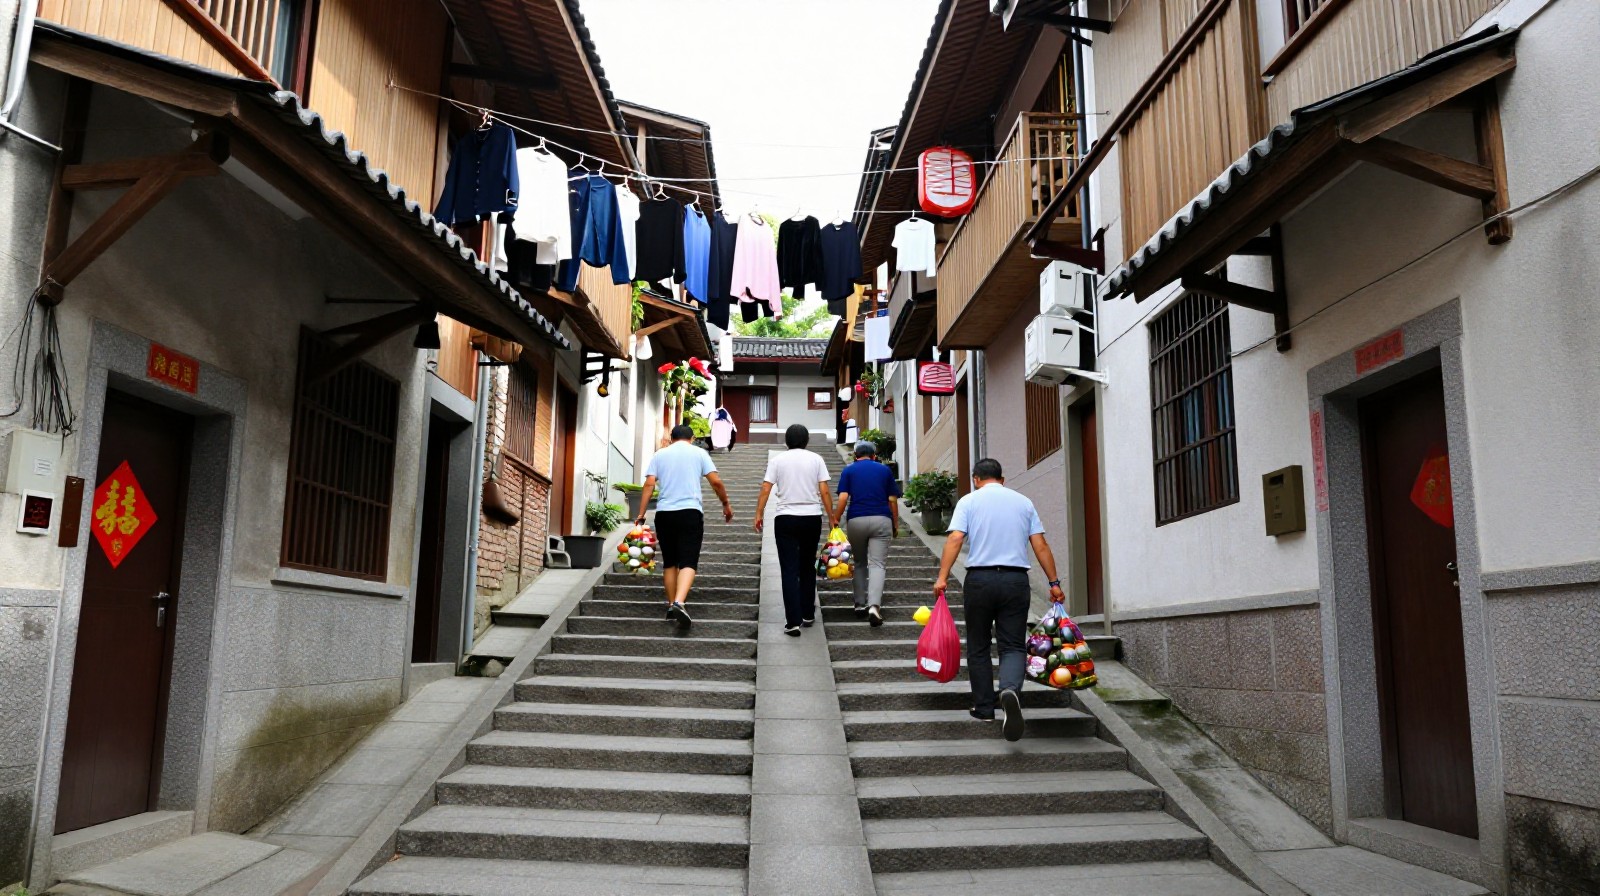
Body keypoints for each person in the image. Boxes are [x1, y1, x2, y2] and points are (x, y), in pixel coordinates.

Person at [933, 458, 1065, 742]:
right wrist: (1054, 583)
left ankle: (983, 708)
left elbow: (955, 538)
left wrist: (942, 577)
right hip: (1015, 581)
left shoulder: (969, 501)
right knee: (1013, 645)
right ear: (1002, 479)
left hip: (979, 580)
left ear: (976, 479)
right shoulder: (1024, 502)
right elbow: (1039, 544)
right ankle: (1009, 690)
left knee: (979, 645)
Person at [636, 424, 734, 628]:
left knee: (670, 561)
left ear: (671, 438)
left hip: (664, 514)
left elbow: (649, 484)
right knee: (688, 560)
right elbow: (716, 482)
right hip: (690, 512)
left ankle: (672, 604)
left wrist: (641, 514)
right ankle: (680, 602)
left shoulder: (660, 455)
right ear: (693, 437)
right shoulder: (699, 453)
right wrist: (725, 504)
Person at [754, 424, 832, 636]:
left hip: (785, 518)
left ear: (786, 441)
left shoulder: (778, 460)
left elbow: (766, 488)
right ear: (806, 440)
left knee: (789, 569)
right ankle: (808, 613)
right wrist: (831, 516)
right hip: (811, 517)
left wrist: (759, 513)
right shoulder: (816, 459)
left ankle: (793, 622)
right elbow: (824, 490)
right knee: (807, 566)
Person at [832, 440, 901, 626]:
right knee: (878, 563)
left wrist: (835, 518)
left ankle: (859, 604)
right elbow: (892, 500)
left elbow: (844, 497)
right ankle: (874, 606)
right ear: (874, 456)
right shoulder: (885, 470)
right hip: (881, 519)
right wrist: (895, 524)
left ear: (855, 456)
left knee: (860, 562)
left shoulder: (849, 470)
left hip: (856, 520)